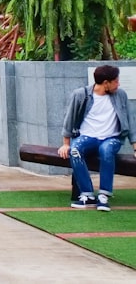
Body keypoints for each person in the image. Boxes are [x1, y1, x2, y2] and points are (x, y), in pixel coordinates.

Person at [57, 65, 136, 211]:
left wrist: (135, 146)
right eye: (116, 81)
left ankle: (103, 195)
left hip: (111, 138)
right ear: (106, 83)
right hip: (87, 137)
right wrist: (66, 144)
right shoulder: (81, 94)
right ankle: (87, 195)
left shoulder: (120, 95)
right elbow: (69, 118)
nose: (118, 84)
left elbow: (130, 120)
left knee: (106, 150)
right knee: (75, 151)